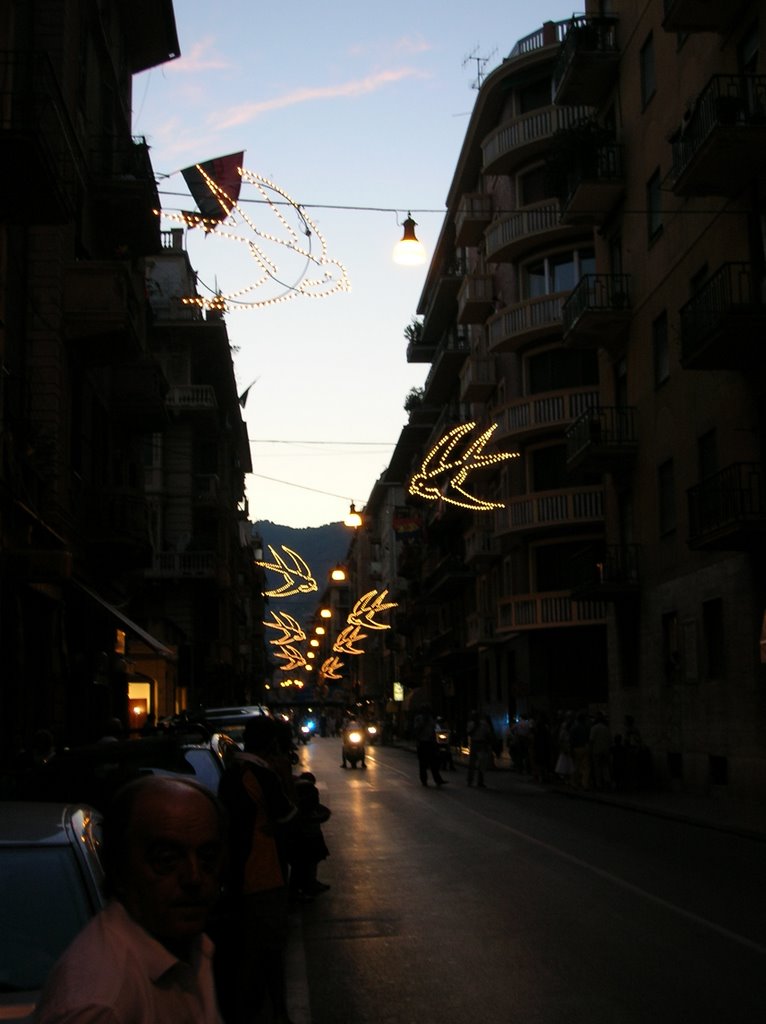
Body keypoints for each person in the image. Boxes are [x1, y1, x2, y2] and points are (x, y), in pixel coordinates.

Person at [33, 775, 226, 1024]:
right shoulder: (102, 1004)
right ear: (118, 865)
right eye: (166, 859)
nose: (194, 876)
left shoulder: (191, 947)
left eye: (207, 857)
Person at [216, 716, 298, 1024]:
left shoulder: (232, 772)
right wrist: (285, 774)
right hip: (263, 872)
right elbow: (288, 815)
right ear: (273, 744)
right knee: (269, 949)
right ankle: (277, 1012)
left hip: (240, 873)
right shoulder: (262, 774)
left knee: (249, 950)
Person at [412, 705, 448, 787]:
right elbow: (416, 730)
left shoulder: (431, 719)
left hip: (431, 743)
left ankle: (438, 779)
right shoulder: (419, 719)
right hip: (422, 742)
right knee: (423, 763)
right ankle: (424, 780)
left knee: (433, 762)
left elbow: (434, 729)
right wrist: (423, 723)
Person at [466, 710, 494, 788]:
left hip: (482, 743)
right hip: (475, 743)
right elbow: (469, 733)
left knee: (482, 763)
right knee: (472, 763)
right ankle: (470, 780)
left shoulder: (484, 724)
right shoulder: (471, 724)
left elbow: (488, 734)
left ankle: (480, 781)